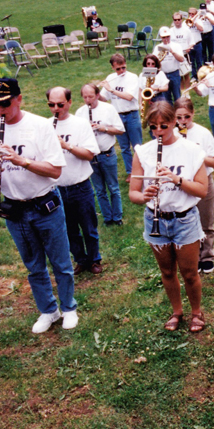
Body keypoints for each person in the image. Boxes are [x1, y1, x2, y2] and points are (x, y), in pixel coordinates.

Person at [0, 78, 77, 334]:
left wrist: (22, 161)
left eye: (5, 103)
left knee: (61, 262)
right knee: (33, 265)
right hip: (14, 208)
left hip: (45, 204)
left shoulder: (39, 126)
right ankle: (48, 310)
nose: (1, 110)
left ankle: (69, 308)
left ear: (19, 99)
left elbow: (55, 170)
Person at [129, 101, 208, 332]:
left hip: (184, 219)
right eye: (153, 127)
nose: (158, 132)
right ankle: (177, 311)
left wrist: (176, 180)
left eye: (164, 126)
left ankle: (196, 312)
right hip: (156, 218)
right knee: (166, 271)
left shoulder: (191, 150)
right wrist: (144, 196)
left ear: (174, 122)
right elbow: (133, 192)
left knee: (190, 273)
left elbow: (202, 190)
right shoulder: (143, 152)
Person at [48, 87, 103, 275]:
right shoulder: (45, 126)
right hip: (57, 187)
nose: (56, 108)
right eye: (51, 105)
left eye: (60, 104)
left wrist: (66, 146)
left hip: (80, 186)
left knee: (89, 227)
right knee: (69, 229)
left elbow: (89, 154)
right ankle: (80, 259)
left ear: (69, 102)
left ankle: (95, 259)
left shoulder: (80, 124)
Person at [174, 99, 214, 275]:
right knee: (185, 221)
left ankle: (207, 256)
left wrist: (196, 152)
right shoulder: (172, 133)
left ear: (193, 114)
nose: (183, 120)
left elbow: (213, 162)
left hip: (203, 181)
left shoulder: (202, 133)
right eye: (179, 117)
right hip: (182, 183)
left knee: (205, 221)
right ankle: (192, 256)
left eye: (187, 116)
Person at [76, 83, 125, 226]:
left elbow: (120, 130)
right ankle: (107, 218)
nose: (88, 100)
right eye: (85, 97)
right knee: (99, 190)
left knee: (113, 187)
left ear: (97, 95)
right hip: (90, 156)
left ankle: (117, 216)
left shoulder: (108, 109)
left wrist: (102, 128)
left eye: (91, 96)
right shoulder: (80, 112)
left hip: (107, 154)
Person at [98, 53, 141, 183]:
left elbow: (129, 97)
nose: (121, 71)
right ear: (112, 67)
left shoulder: (132, 77)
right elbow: (104, 98)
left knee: (137, 146)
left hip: (132, 115)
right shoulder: (111, 78)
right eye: (118, 69)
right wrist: (95, 92)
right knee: (124, 147)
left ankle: (141, 170)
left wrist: (111, 90)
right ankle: (130, 172)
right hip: (117, 117)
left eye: (123, 67)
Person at [152, 27, 185, 104]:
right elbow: (154, 62)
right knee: (166, 98)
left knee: (177, 96)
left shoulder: (176, 46)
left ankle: (178, 113)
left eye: (168, 36)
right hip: (163, 74)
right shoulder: (157, 48)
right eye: (164, 37)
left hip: (174, 73)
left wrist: (172, 52)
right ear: (160, 37)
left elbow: (181, 59)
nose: (166, 39)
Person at [186, 7, 205, 81]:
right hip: (190, 45)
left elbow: (201, 29)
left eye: (192, 14)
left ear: (195, 14)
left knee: (199, 61)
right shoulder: (186, 22)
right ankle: (194, 76)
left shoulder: (199, 21)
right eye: (189, 13)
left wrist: (195, 22)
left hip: (197, 44)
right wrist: (189, 22)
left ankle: (200, 76)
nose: (191, 15)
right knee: (192, 62)